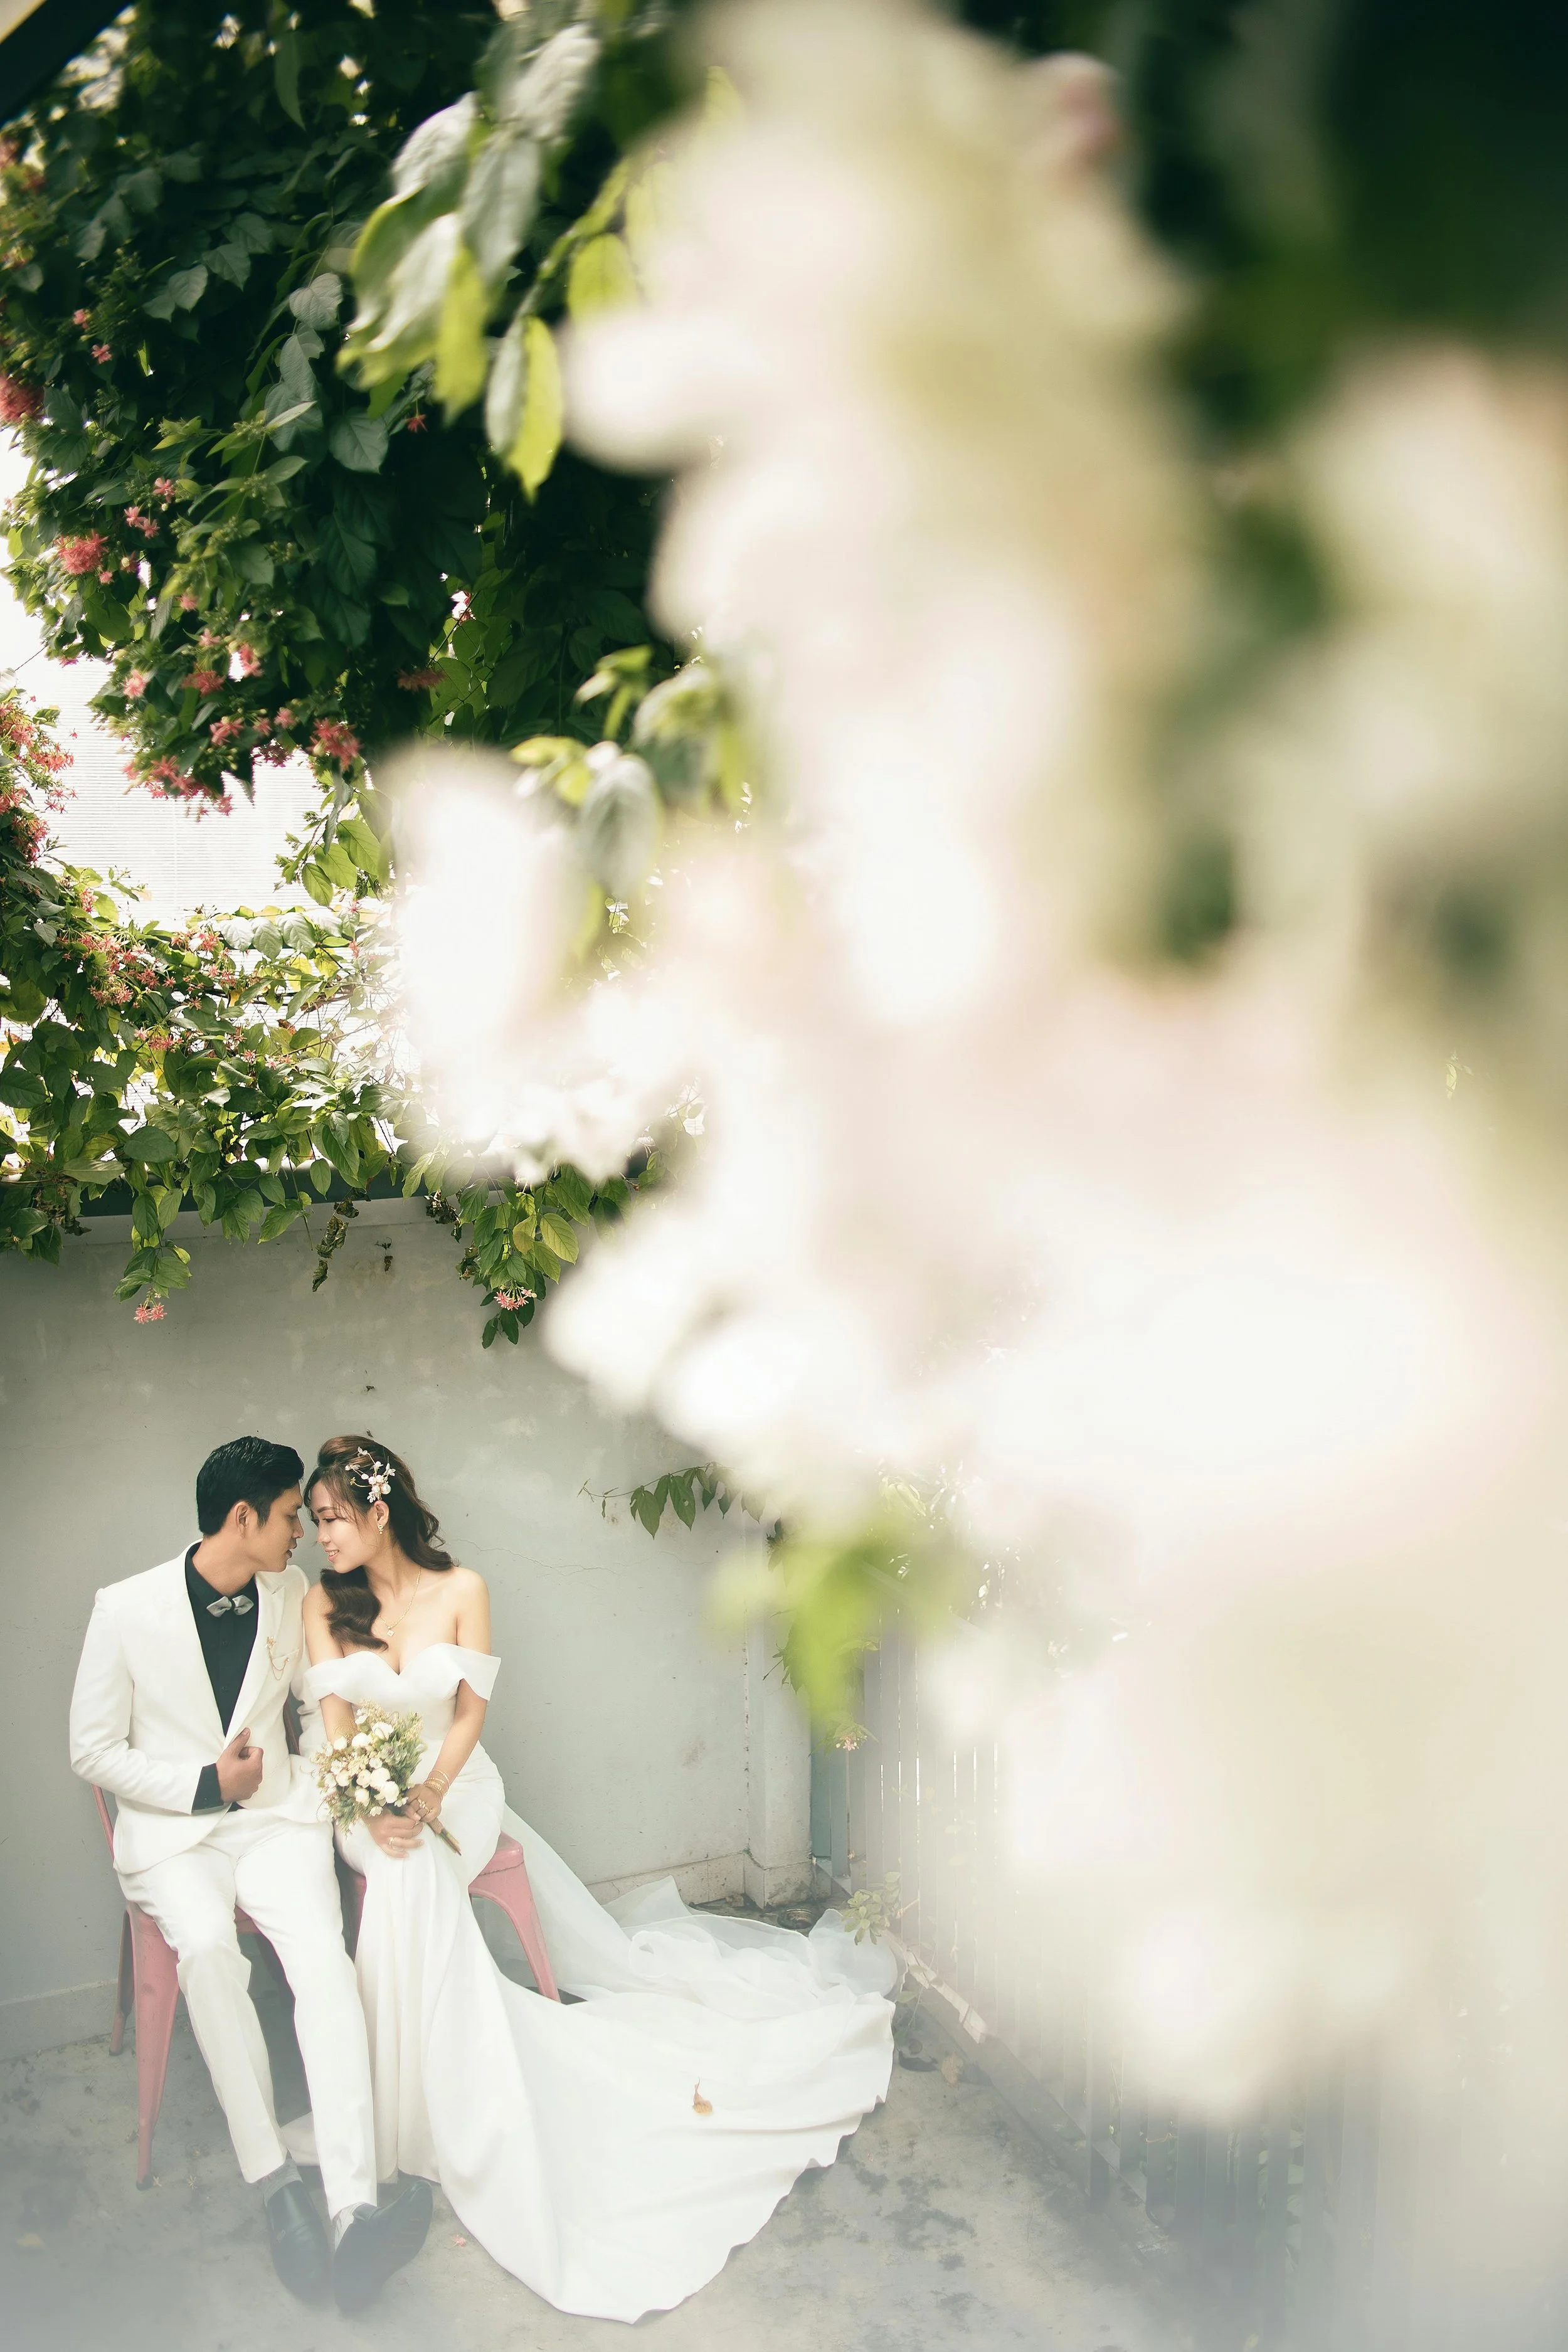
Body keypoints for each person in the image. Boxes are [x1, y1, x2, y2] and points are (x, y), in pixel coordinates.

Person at [300, 1433, 897, 2323]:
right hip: (360, 1790)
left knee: (413, 1866)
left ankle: (404, 2124)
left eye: (332, 1519)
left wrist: (425, 1792)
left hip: (456, 1783)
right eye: (312, 1523)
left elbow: (470, 1713)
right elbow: (339, 1722)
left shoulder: (464, 1590)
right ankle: (412, 2111)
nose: (322, 1539)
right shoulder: (322, 1602)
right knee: (397, 1868)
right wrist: (376, 1799)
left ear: (377, 1510)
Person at [68, 1436, 432, 2311]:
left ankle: (352, 2209)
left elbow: (313, 1701)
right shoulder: (122, 1610)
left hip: (275, 1821)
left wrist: (361, 1780)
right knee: (206, 1953)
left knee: (322, 1962)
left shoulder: (289, 1595)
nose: (297, 1533)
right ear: (243, 1517)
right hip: (174, 1837)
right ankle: (277, 2188)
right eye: (283, 1518)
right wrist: (201, 1785)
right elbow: (90, 1748)